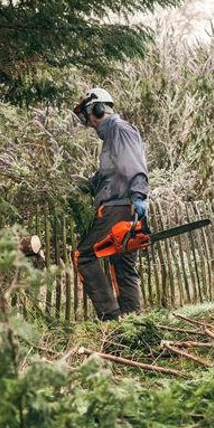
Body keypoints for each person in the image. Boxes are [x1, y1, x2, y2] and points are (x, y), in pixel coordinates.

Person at [72, 87, 150, 320]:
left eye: (88, 117)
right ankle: (131, 323)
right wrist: (88, 185)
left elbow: (132, 163)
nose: (89, 123)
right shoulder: (113, 136)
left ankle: (110, 317)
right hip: (123, 204)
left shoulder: (118, 129)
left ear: (96, 108)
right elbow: (112, 172)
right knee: (122, 263)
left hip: (117, 207)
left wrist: (139, 195)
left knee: (84, 255)